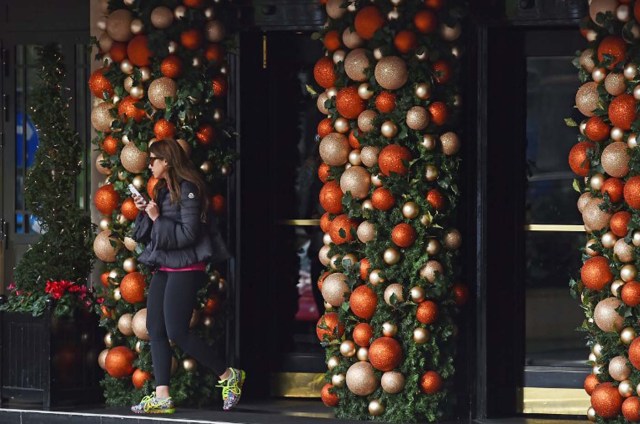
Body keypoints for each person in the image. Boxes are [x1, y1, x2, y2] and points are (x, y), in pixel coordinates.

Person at [129, 139, 244, 414]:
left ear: (167, 161)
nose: (150, 165)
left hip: (186, 267)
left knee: (177, 332)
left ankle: (228, 375)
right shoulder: (161, 190)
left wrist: (158, 219)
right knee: (155, 329)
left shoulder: (189, 189)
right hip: (165, 266)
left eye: (153, 159)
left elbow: (189, 234)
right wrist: (145, 210)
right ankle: (162, 396)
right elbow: (146, 234)